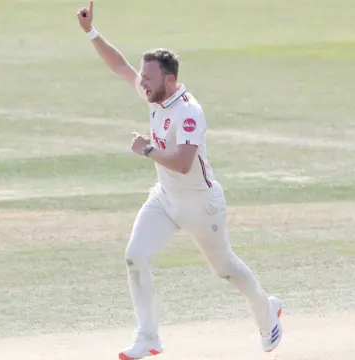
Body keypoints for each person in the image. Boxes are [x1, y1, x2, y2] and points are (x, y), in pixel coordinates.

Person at [75, 1, 283, 358]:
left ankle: (268, 312)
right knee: (135, 257)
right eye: (144, 77)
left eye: (149, 78)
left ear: (169, 80)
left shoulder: (189, 112)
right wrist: (91, 32)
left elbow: (184, 163)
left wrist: (147, 150)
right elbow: (119, 67)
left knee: (226, 269)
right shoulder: (154, 95)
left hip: (202, 205)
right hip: (165, 200)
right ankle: (148, 337)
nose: (142, 83)